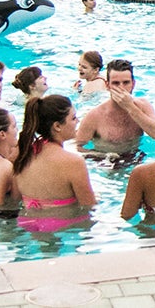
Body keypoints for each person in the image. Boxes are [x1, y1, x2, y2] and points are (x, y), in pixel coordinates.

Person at [12, 95, 96, 231]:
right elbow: (89, 206)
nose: (78, 121)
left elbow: (16, 197)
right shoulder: (73, 162)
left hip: (25, 222)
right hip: (62, 225)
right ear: (57, 126)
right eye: (73, 118)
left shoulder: (23, 153)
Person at [75, 59, 155, 156]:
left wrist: (131, 108)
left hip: (136, 157)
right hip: (106, 163)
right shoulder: (95, 116)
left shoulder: (143, 106)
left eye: (126, 82)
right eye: (116, 83)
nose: (121, 88)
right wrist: (102, 156)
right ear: (107, 85)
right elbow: (76, 148)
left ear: (133, 84)